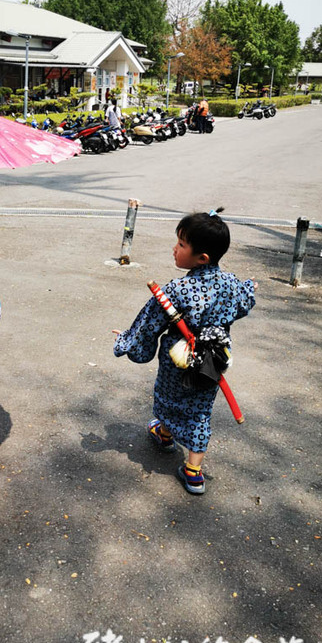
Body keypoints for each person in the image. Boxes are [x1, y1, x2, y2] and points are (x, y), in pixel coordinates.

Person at [113, 209, 256, 495]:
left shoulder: (177, 290)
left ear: (201, 257)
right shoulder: (230, 284)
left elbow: (148, 324)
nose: (174, 249)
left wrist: (128, 341)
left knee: (169, 397)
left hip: (178, 359)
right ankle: (194, 473)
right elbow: (244, 301)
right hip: (212, 361)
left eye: (181, 244)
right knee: (199, 410)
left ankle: (165, 436)